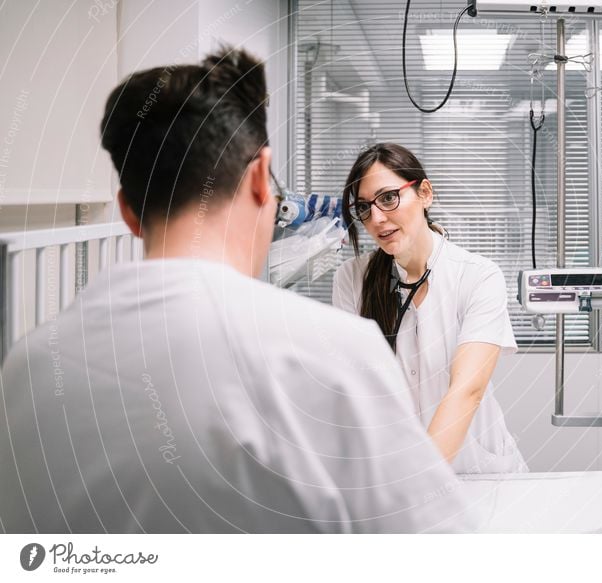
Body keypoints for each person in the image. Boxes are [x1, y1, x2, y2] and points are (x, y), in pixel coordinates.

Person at [0, 49, 475, 533]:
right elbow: (431, 547)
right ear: (257, 177)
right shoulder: (335, 356)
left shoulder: (26, 369)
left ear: (127, 211)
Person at [333, 143, 528, 474]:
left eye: (388, 198)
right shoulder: (352, 280)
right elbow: (355, 392)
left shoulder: (478, 276)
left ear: (424, 193)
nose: (377, 218)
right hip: (396, 475)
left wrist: (421, 485)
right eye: (364, 208)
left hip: (478, 474)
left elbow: (468, 389)